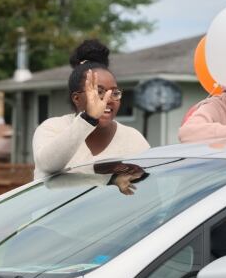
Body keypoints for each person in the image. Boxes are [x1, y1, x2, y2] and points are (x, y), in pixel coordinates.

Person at [32, 40, 150, 179]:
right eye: (98, 92)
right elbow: (47, 165)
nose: (108, 99)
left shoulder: (133, 139)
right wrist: (89, 119)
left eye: (114, 92)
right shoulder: (53, 128)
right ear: (76, 98)